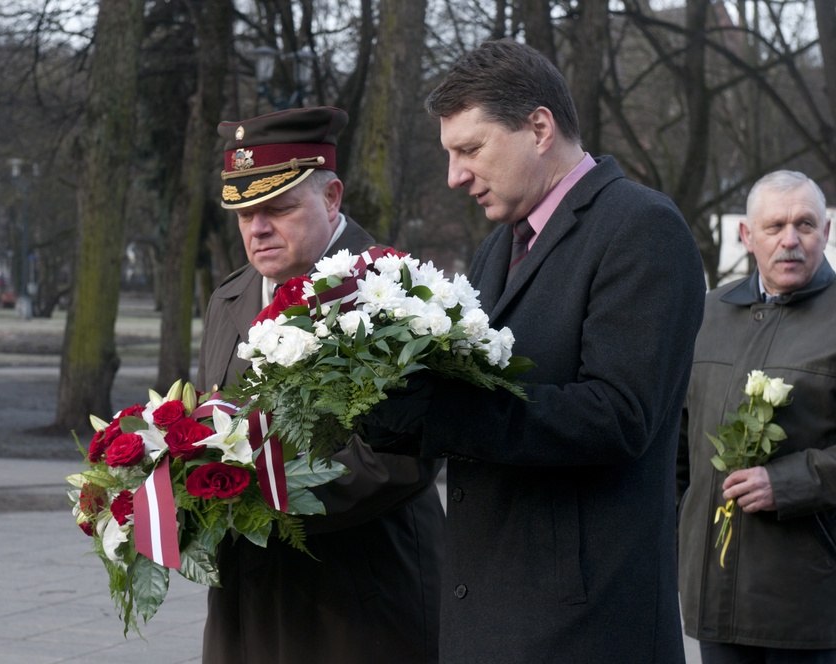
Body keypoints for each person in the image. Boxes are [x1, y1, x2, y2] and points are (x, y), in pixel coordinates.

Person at [364, 39, 707, 662]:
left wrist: (443, 411)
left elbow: (619, 415)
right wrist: (388, 406)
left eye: (470, 149)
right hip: (487, 616)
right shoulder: (499, 247)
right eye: (449, 154)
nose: (454, 175)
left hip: (585, 630)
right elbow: (478, 397)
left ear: (539, 127)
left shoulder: (640, 227)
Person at [196, 106, 445, 664]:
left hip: (359, 599)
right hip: (249, 599)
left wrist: (252, 494)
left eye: (277, 208)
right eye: (242, 213)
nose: (257, 228)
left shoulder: (391, 291)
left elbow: (399, 458)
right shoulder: (230, 298)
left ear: (331, 197)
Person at [677, 170, 836, 664]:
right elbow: (676, 444)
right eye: (774, 227)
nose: (790, 240)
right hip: (714, 597)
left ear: (826, 231)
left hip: (808, 599)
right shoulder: (706, 315)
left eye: (805, 225)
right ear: (747, 236)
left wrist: (787, 482)